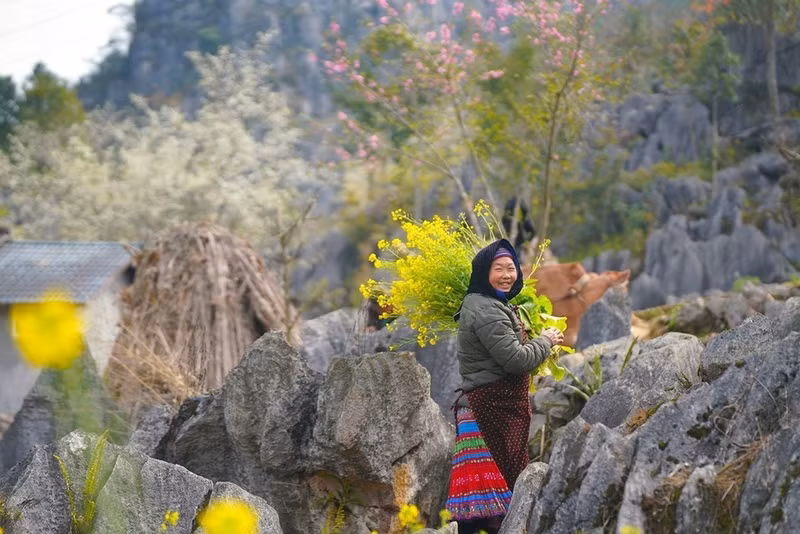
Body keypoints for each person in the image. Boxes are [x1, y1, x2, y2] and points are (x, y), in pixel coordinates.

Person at [445, 239, 563, 533]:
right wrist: (545, 341)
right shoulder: (487, 310)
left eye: (511, 268)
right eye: (498, 269)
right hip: (487, 413)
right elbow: (516, 360)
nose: (507, 275)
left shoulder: (489, 304)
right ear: (484, 272)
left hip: (488, 410)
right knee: (490, 513)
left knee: (487, 512)